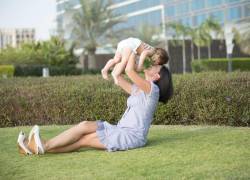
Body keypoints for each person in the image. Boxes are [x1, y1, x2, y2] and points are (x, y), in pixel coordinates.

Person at [17, 50, 173, 155]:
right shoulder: (139, 89)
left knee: (84, 140)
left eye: (155, 67)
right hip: (120, 129)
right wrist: (116, 61)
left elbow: (130, 72)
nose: (151, 66)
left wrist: (134, 49)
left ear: (156, 77)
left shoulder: (153, 90)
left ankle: (41, 146)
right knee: (84, 125)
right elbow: (118, 77)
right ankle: (38, 147)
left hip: (131, 136)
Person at [101, 37, 168, 84]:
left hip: (124, 43)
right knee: (124, 61)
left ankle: (105, 70)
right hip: (132, 44)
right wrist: (139, 66)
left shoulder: (151, 57)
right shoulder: (153, 51)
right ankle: (115, 75)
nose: (156, 62)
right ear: (158, 54)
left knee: (116, 60)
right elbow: (144, 53)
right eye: (157, 61)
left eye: (157, 63)